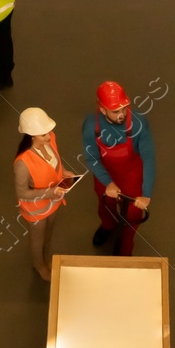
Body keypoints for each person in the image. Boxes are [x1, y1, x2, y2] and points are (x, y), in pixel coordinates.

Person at [82, 81, 155, 257]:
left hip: (132, 177)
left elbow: (149, 158)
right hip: (105, 175)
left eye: (124, 108)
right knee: (104, 205)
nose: (121, 114)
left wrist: (146, 194)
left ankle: (125, 248)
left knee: (132, 215)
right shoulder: (91, 126)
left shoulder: (138, 124)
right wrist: (107, 183)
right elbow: (91, 158)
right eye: (115, 111)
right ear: (102, 109)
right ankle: (107, 227)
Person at [14, 107, 71, 281]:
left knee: (49, 231)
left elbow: (54, 164)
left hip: (54, 200)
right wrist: (50, 192)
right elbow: (22, 192)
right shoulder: (22, 163)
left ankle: (44, 255)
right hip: (36, 208)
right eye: (43, 134)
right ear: (32, 136)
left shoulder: (50, 140)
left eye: (48, 132)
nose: (49, 136)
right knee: (37, 238)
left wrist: (64, 173)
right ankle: (39, 266)